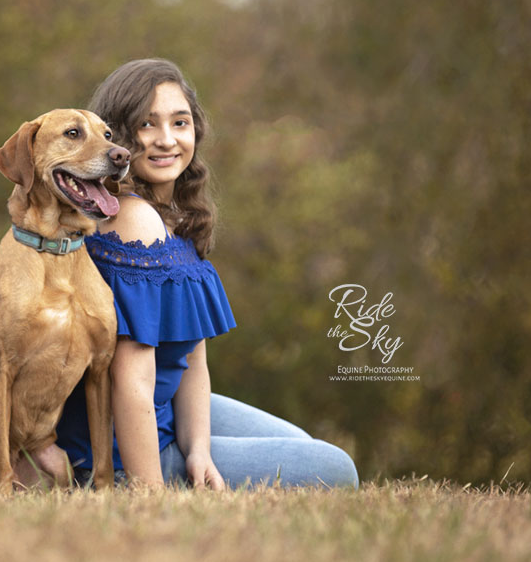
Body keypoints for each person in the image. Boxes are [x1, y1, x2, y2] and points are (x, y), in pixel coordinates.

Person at [55, 58, 358, 489]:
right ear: (119, 137)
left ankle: (191, 455)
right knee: (334, 470)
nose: (166, 140)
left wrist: (199, 449)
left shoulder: (173, 217)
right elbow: (129, 381)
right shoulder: (132, 219)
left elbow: (191, 358)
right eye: (146, 124)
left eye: (180, 123)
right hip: (125, 447)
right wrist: (151, 495)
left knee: (301, 444)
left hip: (166, 408)